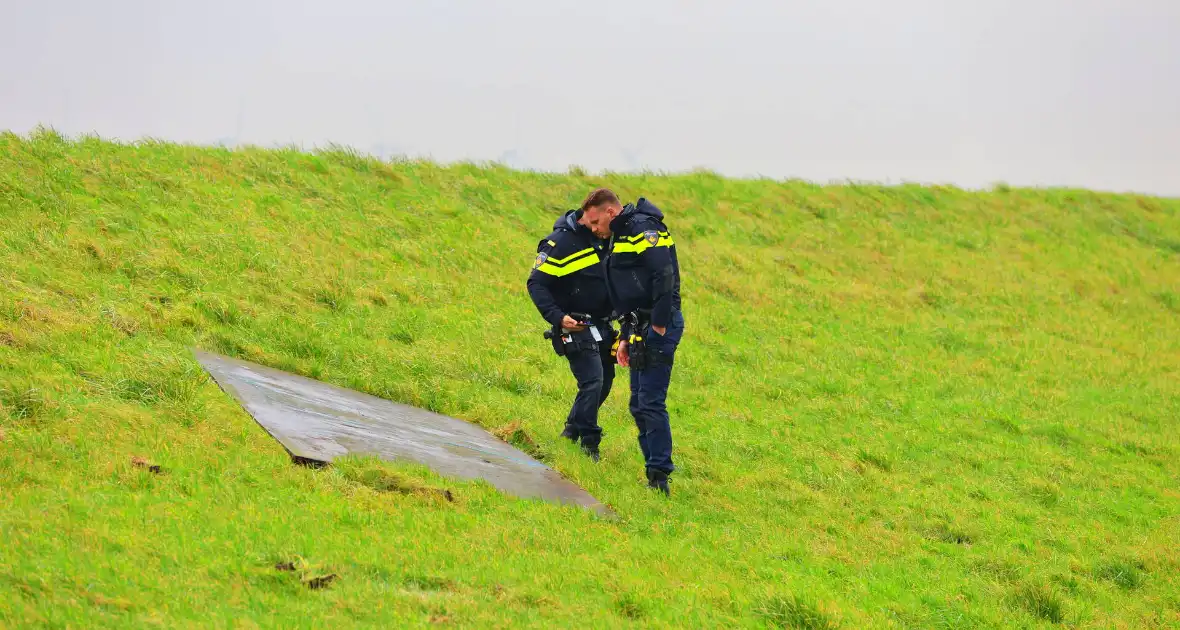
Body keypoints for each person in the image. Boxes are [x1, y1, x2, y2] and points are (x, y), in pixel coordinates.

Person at [577, 188, 684, 495]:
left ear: (611, 212)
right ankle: (653, 470)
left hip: (658, 325)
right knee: (638, 404)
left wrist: (660, 325)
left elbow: (664, 275)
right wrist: (625, 336)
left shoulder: (643, 228)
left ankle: (659, 476)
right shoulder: (620, 235)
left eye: (596, 222)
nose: (594, 230)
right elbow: (628, 292)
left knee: (650, 401)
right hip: (638, 327)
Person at [526, 207, 618, 461]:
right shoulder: (561, 242)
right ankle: (590, 445)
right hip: (573, 324)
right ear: (593, 214)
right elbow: (536, 283)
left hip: (602, 324)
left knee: (605, 381)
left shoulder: (606, 239)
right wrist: (557, 317)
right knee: (592, 381)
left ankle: (570, 432)